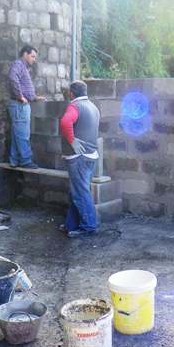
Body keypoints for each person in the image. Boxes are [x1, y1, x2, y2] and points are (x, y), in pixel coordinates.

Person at [59, 80, 101, 238]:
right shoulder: (93, 107)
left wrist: (71, 140)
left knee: (80, 193)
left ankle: (89, 227)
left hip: (79, 157)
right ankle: (71, 224)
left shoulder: (75, 106)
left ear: (71, 93)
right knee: (78, 191)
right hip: (91, 155)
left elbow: (65, 122)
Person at [7, 45, 44, 169]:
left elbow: (23, 85)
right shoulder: (18, 64)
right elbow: (13, 78)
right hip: (20, 105)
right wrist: (20, 96)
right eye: (32, 56)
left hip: (19, 105)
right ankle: (26, 161)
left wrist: (34, 97)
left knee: (17, 134)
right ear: (25, 54)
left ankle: (14, 160)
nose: (34, 59)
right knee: (23, 134)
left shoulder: (23, 67)